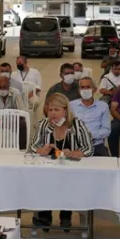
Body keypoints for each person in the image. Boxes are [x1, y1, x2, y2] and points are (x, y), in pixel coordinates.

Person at [28, 92, 94, 229]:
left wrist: (74, 153)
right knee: (43, 181)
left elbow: (88, 149)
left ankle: (65, 215)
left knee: (67, 183)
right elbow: (33, 146)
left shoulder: (77, 125)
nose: (53, 113)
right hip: (48, 170)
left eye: (56, 110)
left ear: (65, 110)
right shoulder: (44, 124)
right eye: (50, 110)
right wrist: (42, 150)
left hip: (71, 171)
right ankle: (44, 216)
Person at [71, 77, 112, 156]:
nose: (85, 90)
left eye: (88, 87)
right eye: (82, 87)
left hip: (96, 145)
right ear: (79, 90)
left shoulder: (103, 106)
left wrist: (90, 136)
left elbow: (106, 130)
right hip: (76, 146)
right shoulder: (71, 105)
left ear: (94, 89)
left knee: (107, 162)